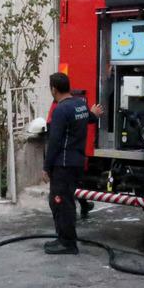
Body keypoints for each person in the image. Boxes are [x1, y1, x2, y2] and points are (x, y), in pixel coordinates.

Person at [43, 72, 103, 255]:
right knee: (66, 201)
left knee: (60, 203)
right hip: (76, 162)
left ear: (53, 89)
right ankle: (64, 238)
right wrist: (94, 113)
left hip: (63, 163)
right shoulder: (80, 104)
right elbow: (89, 118)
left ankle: (67, 243)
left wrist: (46, 167)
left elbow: (54, 141)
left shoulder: (61, 109)